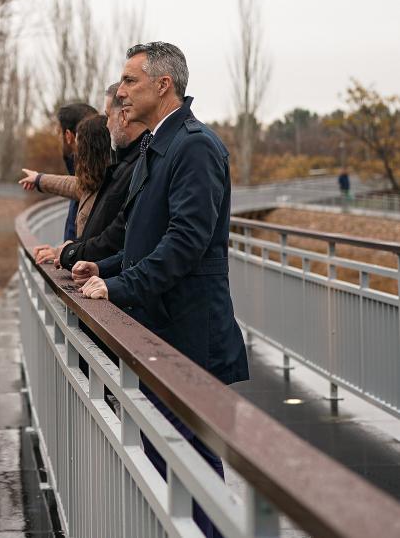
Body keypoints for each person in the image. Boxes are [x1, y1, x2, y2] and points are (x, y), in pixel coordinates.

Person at [73, 42, 249, 538]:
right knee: (171, 466)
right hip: (164, 334)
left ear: (163, 85)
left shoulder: (194, 145)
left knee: (192, 472)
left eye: (130, 81)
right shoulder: (159, 143)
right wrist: (100, 265)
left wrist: (120, 285)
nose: (121, 92)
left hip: (189, 335)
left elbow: (187, 241)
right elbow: (140, 236)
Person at [32, 83, 148, 270]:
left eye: (108, 116)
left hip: (101, 285)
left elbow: (111, 238)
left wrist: (69, 254)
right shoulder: (114, 173)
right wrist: (39, 180)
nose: (107, 123)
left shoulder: (126, 172)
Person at [19, 114, 111, 238]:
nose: (77, 154)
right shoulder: (98, 181)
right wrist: (38, 179)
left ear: (90, 152)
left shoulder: (109, 189)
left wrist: (67, 252)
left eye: (80, 148)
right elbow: (71, 185)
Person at [55, 103, 99, 241]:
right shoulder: (90, 169)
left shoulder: (92, 176)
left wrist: (68, 253)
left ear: (68, 136)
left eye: (58, 133)